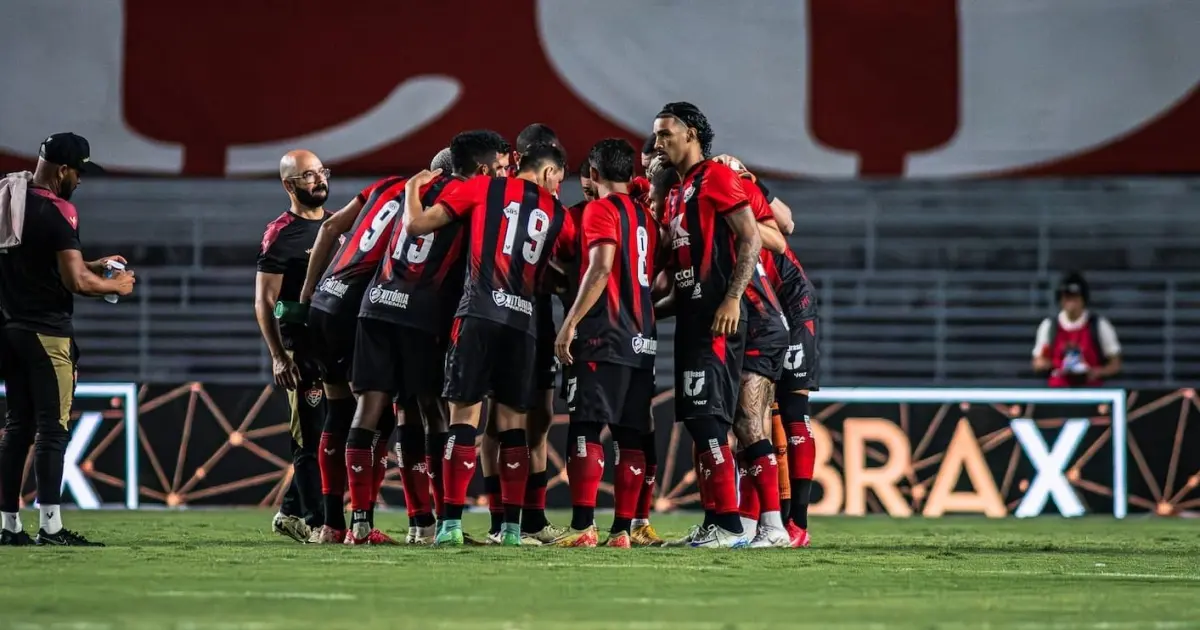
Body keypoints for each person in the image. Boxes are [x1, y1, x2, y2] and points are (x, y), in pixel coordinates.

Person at [401, 142, 574, 546]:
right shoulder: (559, 213)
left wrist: (412, 189)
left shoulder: (483, 189)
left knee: (464, 420)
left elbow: (418, 225)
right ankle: (512, 530)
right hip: (524, 324)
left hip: (478, 313)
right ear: (549, 174)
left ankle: (450, 525)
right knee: (513, 425)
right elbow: (570, 268)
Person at [353, 131, 507, 545]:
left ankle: (361, 523)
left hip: (375, 304)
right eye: (498, 168)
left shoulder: (414, 190)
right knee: (437, 413)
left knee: (379, 411)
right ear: (478, 169)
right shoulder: (469, 194)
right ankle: (442, 524)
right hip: (421, 314)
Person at [0, 133, 134, 546]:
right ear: (62, 170)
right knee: (52, 430)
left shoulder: (11, 199)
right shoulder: (58, 211)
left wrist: (90, 262)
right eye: (77, 172)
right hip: (46, 333)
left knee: (17, 427)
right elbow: (74, 281)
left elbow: (35, 260)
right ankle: (51, 527)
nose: (79, 181)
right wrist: (119, 286)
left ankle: (8, 527)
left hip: (8, 331)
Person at [652, 102, 763, 548]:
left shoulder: (716, 177)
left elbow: (751, 235)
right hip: (691, 317)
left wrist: (733, 297)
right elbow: (680, 279)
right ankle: (717, 520)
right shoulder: (679, 192)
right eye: (657, 135)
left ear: (692, 134)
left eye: (665, 134)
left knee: (708, 421)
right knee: (701, 422)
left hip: (718, 318)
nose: (659, 143)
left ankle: (730, 525)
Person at [299, 163, 416, 545]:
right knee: (377, 414)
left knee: (337, 411)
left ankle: (331, 525)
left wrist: (308, 291)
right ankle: (361, 522)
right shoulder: (434, 199)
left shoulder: (386, 182)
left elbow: (330, 228)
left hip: (326, 299)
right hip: (362, 309)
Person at [552, 139, 659, 548]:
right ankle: (621, 531)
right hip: (642, 338)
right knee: (631, 433)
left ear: (593, 175)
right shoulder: (644, 217)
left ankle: (582, 526)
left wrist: (570, 323)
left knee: (585, 426)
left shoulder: (599, 210)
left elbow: (600, 269)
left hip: (603, 334)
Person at [477, 123, 568, 545]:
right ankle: (502, 518)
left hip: (538, 317)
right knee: (499, 422)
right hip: (505, 312)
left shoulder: (552, 205)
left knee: (540, 419)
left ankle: (532, 518)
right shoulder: (498, 192)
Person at [256, 150, 331, 543]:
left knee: (334, 435)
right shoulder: (281, 233)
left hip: (337, 350)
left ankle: (290, 510)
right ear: (289, 185)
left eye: (321, 173)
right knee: (310, 438)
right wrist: (279, 356)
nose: (318, 180)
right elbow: (264, 300)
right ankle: (318, 523)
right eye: (308, 176)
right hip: (301, 352)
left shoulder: (337, 227)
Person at [1032, 271, 1121, 387]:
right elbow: (1037, 362)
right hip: (1057, 394)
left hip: (1091, 394)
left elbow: (1115, 364)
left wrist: (1096, 372)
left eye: (1075, 297)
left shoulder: (1099, 325)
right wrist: (1055, 366)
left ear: (1083, 298)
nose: (1071, 302)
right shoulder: (1049, 326)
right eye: (1067, 297)